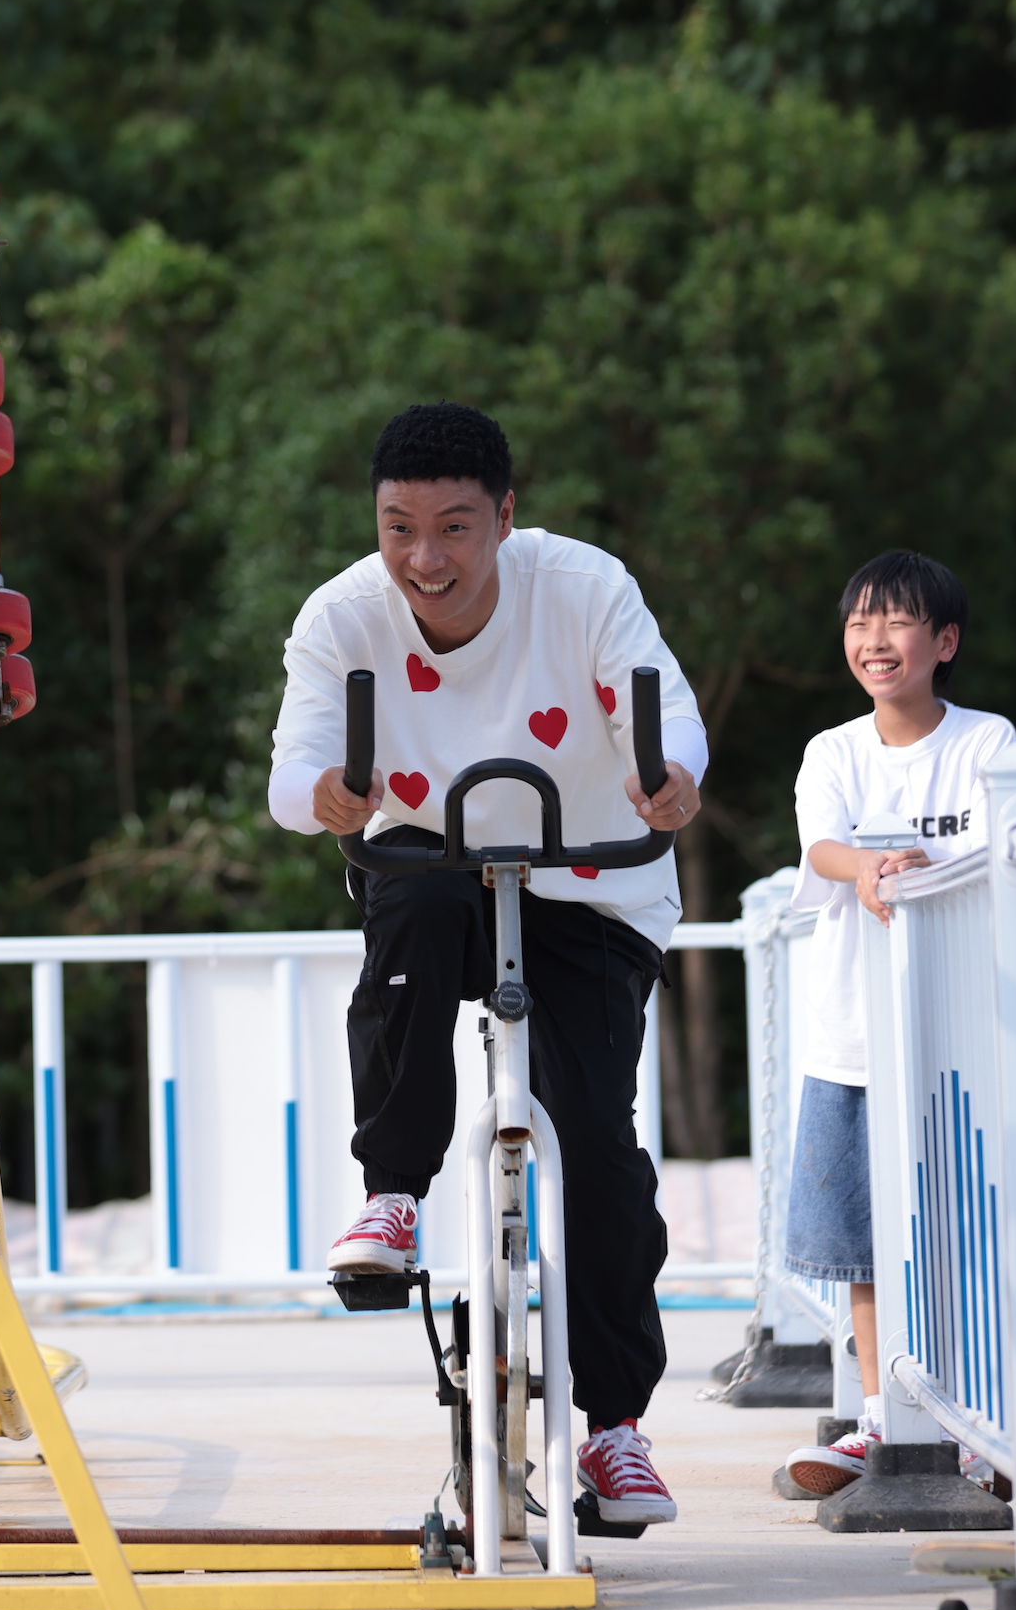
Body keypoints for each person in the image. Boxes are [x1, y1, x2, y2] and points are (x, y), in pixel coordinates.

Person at [268, 400, 709, 1526]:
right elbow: (293, 769)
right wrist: (324, 793)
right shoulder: (339, 616)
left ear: (506, 517)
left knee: (598, 1143)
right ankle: (392, 1195)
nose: (425, 558)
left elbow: (660, 708)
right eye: (398, 526)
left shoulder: (583, 585)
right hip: (428, 869)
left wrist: (668, 774)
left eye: (455, 527)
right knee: (407, 897)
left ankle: (612, 1426)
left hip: (593, 876)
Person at [777, 551, 1013, 1498]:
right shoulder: (834, 752)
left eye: (899, 621)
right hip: (854, 1039)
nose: (875, 641)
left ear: (944, 641)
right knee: (863, 1252)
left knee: (965, 1238)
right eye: (859, 624)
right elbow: (823, 844)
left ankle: (972, 1425)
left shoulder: (989, 745)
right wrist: (868, 869)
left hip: (968, 1044)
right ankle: (881, 1422)